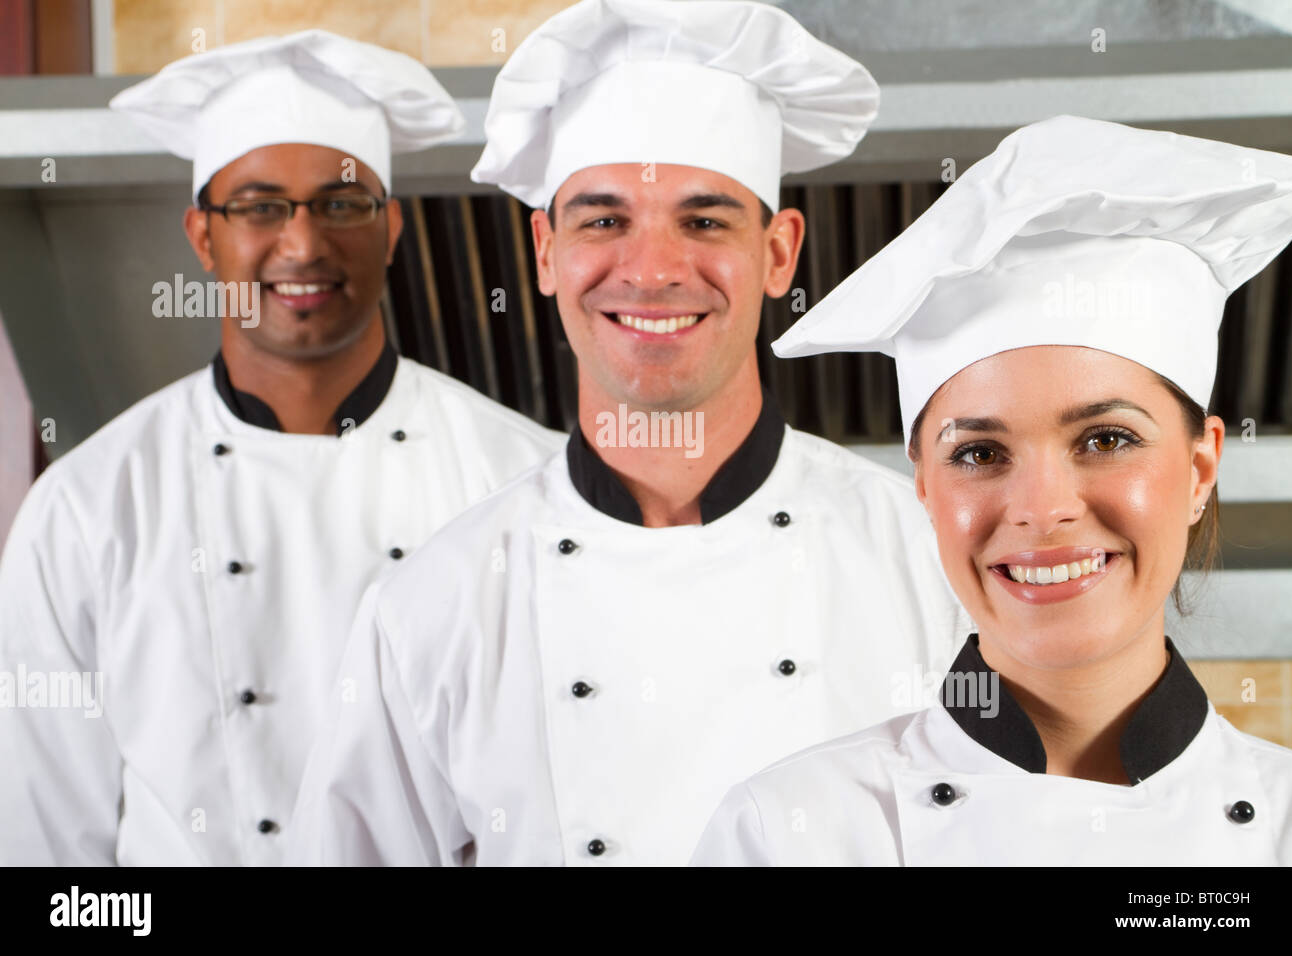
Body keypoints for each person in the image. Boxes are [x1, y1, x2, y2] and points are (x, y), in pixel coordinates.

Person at [288, 0, 970, 867]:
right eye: (604, 220)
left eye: (705, 220)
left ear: (779, 253)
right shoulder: (435, 607)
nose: (650, 271)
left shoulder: (930, 564)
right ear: (544, 251)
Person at [0, 30, 562, 866]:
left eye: (341, 203)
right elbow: (48, 849)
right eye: (261, 207)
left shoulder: (524, 479)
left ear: (392, 228)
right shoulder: (89, 505)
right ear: (202, 235)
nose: (303, 245)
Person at [690, 114, 1292, 866]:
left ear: (1202, 467)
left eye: (1106, 440)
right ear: (923, 486)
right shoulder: (788, 832)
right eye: (979, 452)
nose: (1043, 509)